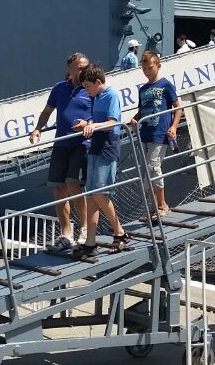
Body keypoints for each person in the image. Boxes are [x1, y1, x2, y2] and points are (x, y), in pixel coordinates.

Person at [30, 53, 93, 250]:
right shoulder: (59, 88)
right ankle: (66, 234)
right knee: (58, 188)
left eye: (86, 66)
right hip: (61, 143)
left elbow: (99, 115)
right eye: (81, 67)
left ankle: (85, 229)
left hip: (82, 142)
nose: (85, 70)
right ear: (70, 69)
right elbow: (47, 111)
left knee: (74, 184)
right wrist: (38, 128)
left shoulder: (90, 88)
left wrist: (89, 124)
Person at [72, 64, 130, 259]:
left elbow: (113, 122)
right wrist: (86, 125)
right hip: (96, 146)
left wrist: (93, 125)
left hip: (107, 146)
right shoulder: (96, 97)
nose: (86, 90)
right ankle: (90, 243)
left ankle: (120, 233)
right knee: (91, 196)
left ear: (98, 82)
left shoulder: (111, 95)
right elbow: (98, 124)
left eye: (87, 86)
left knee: (100, 193)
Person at [130, 50, 182, 219]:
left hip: (159, 133)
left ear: (158, 66)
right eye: (144, 68)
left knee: (154, 168)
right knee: (146, 173)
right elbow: (142, 110)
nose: (147, 71)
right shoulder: (143, 89)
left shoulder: (166, 85)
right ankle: (153, 207)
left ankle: (162, 205)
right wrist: (134, 119)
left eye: (150, 68)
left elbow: (177, 107)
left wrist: (174, 126)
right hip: (145, 133)